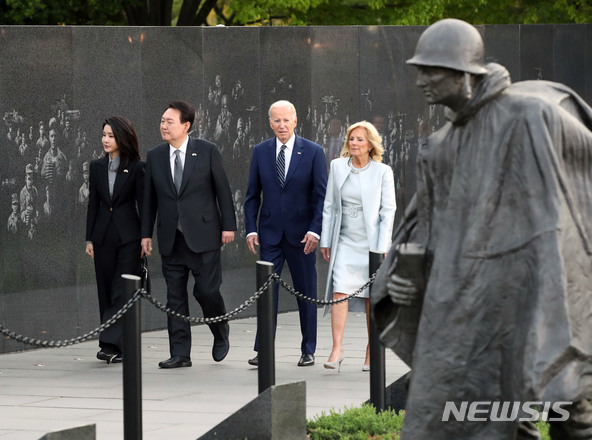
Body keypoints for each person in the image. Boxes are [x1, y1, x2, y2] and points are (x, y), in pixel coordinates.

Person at [373, 18, 592, 439]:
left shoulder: (531, 115)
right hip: (465, 304)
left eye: (431, 70)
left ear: (464, 74)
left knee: (565, 405)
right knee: (476, 415)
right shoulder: (438, 147)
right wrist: (403, 278)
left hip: (533, 287)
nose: (421, 80)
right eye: (419, 69)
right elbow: (424, 228)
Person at [141, 100, 236, 369]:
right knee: (175, 297)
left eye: (169, 122)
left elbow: (223, 191)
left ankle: (220, 329)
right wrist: (145, 235)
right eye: (162, 121)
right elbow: (149, 200)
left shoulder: (206, 151)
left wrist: (228, 225)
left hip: (205, 236)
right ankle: (180, 353)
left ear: (186, 125)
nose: (163, 126)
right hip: (171, 238)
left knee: (206, 291)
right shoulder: (156, 155)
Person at [244, 100, 327, 367]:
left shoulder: (313, 152)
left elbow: (321, 197)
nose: (281, 125)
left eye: (286, 120)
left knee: (306, 293)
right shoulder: (261, 151)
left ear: (295, 121)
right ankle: (263, 349)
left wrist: (315, 230)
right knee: (266, 293)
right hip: (269, 235)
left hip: (303, 236)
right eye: (276, 120)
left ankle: (308, 349)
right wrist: (250, 229)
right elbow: (251, 195)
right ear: (270, 123)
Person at [319, 121, 395, 372]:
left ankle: (371, 350)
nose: (354, 143)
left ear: (370, 144)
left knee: (371, 298)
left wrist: (382, 246)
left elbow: (388, 211)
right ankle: (336, 349)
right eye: (351, 139)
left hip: (371, 244)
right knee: (339, 291)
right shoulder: (337, 166)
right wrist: (326, 240)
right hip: (345, 241)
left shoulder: (383, 171)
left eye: (360, 139)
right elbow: (329, 205)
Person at [85, 116, 145, 364]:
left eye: (111, 135)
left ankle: (110, 343)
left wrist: (145, 237)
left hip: (129, 238)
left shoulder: (137, 166)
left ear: (122, 137)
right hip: (102, 238)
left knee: (122, 290)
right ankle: (115, 343)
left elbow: (144, 204)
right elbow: (94, 204)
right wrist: (89, 238)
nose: (106, 140)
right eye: (104, 135)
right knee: (106, 290)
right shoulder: (97, 166)